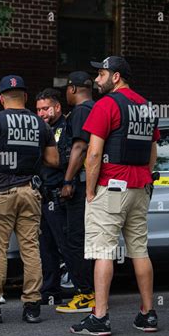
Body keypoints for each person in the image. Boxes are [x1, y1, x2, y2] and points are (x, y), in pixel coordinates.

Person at [70, 56, 159, 336]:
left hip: (111, 187)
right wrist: (143, 176)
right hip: (140, 187)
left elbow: (93, 153)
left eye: (101, 74)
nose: (96, 79)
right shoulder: (146, 106)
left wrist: (89, 190)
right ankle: (147, 314)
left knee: (103, 251)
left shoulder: (106, 105)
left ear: (116, 77)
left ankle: (100, 317)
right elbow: (152, 153)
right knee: (140, 250)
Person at [0, 75, 59, 324]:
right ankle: (32, 307)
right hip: (30, 191)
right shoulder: (40, 124)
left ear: (1, 98)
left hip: (1, 192)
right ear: (26, 98)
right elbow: (53, 160)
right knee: (31, 250)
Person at [55, 72, 96, 313]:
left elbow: (80, 147)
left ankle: (85, 295)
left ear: (72, 89)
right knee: (84, 240)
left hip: (80, 185)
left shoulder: (81, 111)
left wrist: (68, 180)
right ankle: (91, 293)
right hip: (91, 184)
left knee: (75, 240)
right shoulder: (96, 107)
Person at [34, 88, 68, 306]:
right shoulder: (40, 130)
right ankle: (50, 289)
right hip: (41, 195)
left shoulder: (65, 127)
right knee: (45, 246)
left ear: (57, 107)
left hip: (60, 194)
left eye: (45, 108)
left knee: (65, 245)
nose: (41, 114)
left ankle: (84, 289)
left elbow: (63, 160)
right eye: (38, 110)